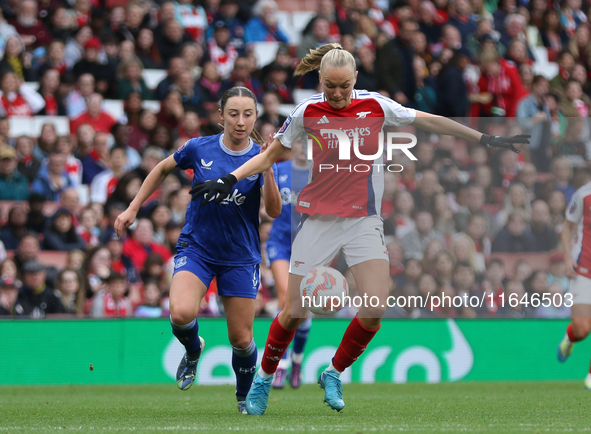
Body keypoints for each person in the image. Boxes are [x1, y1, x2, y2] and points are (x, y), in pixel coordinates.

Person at [190, 43, 529, 415]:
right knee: (295, 311)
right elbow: (270, 154)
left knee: (374, 309)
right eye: (330, 86)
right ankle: (263, 380)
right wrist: (230, 178)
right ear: (320, 79)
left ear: (355, 79)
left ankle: (333, 372)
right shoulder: (306, 111)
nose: (336, 94)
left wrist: (485, 138)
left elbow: (429, 120)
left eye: (343, 87)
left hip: (363, 221)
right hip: (319, 220)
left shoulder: (377, 105)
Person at [114, 86, 281, 414]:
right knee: (180, 313)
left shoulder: (260, 157)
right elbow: (162, 168)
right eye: (233, 113)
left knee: (242, 339)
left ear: (255, 116)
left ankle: (243, 398)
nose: (240, 121)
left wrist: (269, 167)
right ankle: (193, 350)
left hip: (240, 256)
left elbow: (273, 212)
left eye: (248, 114)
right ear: (221, 116)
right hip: (198, 248)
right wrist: (133, 207)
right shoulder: (199, 148)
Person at [265, 138, 310, 390]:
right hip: (280, 243)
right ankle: (279, 365)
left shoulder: (322, 174)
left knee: (303, 308)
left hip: (310, 246)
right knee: (285, 298)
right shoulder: (278, 169)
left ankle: (297, 361)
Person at [556, 175, 591, 389]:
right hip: (583, 269)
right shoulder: (584, 194)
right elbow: (567, 227)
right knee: (582, 329)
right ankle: (569, 339)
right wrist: (568, 258)